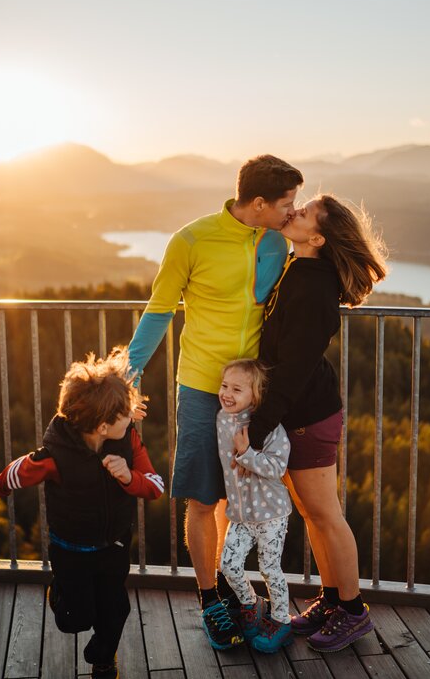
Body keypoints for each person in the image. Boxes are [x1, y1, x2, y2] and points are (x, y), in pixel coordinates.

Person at [127, 154, 303, 649]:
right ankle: (211, 601)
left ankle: (238, 594)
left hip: (258, 395)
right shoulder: (191, 239)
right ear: (261, 202)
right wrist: (127, 374)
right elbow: (159, 309)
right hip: (206, 389)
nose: (294, 210)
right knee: (204, 499)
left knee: (243, 500)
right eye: (287, 202)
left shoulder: (276, 239)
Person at [247, 193, 387, 653]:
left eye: (303, 213)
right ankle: (331, 600)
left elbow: (295, 367)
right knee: (313, 514)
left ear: (319, 237)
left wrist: (262, 422)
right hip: (297, 413)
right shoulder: (300, 269)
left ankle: (353, 611)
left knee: (326, 514)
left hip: (308, 416)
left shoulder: (314, 286)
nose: (294, 213)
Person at [0, 347, 164, 679]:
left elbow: (155, 486)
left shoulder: (128, 441)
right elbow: (20, 471)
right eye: (127, 412)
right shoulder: (56, 456)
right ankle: (61, 595)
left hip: (113, 547)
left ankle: (102, 660)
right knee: (74, 619)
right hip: (69, 551)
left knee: (114, 610)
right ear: (102, 425)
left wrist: (129, 478)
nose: (134, 415)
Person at [217, 358, 293, 653]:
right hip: (240, 513)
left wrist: (247, 453)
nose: (227, 393)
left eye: (237, 389)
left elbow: (277, 468)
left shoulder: (272, 430)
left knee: (270, 568)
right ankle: (251, 604)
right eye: (224, 386)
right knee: (228, 564)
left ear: (256, 396)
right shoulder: (223, 419)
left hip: (271, 514)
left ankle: (281, 620)